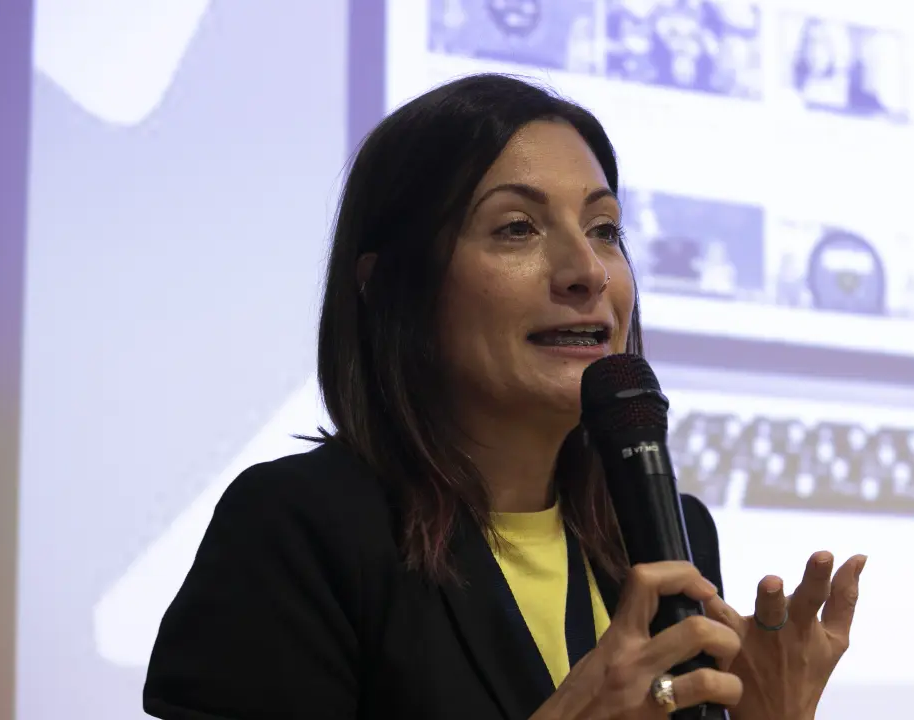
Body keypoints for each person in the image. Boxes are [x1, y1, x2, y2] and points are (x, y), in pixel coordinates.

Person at [142, 72, 867, 719]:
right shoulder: (300, 528)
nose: (587, 271)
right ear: (390, 286)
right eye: (517, 228)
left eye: (605, 229)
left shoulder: (669, 537)